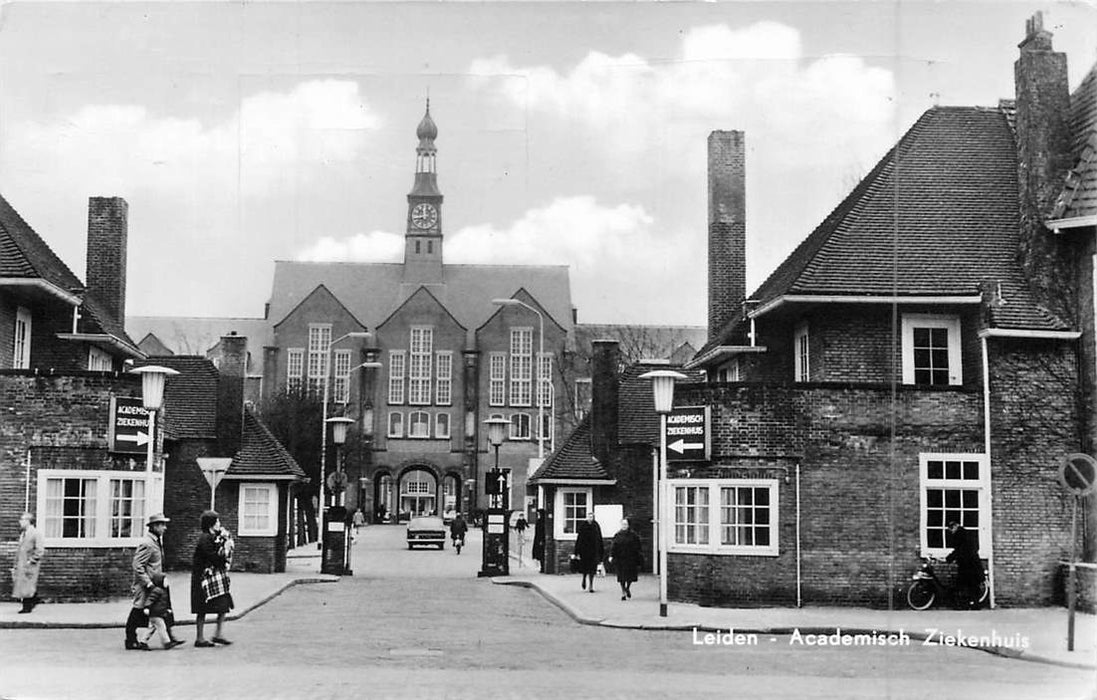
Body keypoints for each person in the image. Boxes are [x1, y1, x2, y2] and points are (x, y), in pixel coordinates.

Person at [192, 510, 235, 647]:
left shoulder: (215, 536)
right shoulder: (205, 538)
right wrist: (224, 554)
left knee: (223, 605)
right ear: (211, 524)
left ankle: (218, 634)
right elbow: (212, 556)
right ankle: (200, 638)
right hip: (204, 578)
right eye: (217, 522)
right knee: (202, 608)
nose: (219, 524)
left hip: (215, 578)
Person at [946, 520, 985, 609]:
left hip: (967, 565)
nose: (951, 531)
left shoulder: (959, 536)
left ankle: (964, 605)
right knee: (973, 585)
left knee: (962, 585)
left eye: (951, 529)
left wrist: (949, 558)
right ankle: (975, 605)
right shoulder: (967, 534)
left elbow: (959, 550)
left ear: (955, 526)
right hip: (973, 563)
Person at [12, 512, 45, 614]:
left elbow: (40, 550)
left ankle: (27, 607)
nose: (20, 522)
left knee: (27, 586)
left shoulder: (35, 533)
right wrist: (15, 564)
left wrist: (31, 560)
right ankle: (34, 600)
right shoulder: (23, 534)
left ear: (28, 521)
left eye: (22, 520)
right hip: (22, 564)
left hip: (30, 565)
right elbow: (20, 550)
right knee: (24, 586)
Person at [142, 571, 184, 650]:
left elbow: (162, 603)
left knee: (151, 629)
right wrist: (147, 607)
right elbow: (150, 599)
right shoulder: (157, 591)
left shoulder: (161, 591)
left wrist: (167, 609)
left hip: (156, 614)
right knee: (162, 628)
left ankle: (143, 641)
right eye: (165, 580)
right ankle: (166, 642)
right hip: (156, 614)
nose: (167, 582)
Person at [608, 518, 643, 601]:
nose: (624, 526)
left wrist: (638, 556)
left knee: (630, 576)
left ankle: (628, 587)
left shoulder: (633, 535)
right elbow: (613, 546)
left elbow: (638, 546)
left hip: (630, 558)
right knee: (621, 576)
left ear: (628, 525)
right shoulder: (617, 535)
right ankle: (623, 591)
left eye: (626, 524)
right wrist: (611, 555)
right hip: (620, 558)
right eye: (623, 524)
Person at [574, 511, 604, 592]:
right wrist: (576, 552)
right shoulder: (583, 526)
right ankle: (584, 578)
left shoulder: (596, 526)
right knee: (585, 568)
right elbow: (579, 539)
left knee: (592, 569)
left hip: (594, 551)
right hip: (585, 551)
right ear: (587, 517)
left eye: (592, 517)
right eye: (589, 517)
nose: (590, 518)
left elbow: (599, 538)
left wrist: (601, 551)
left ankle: (591, 585)